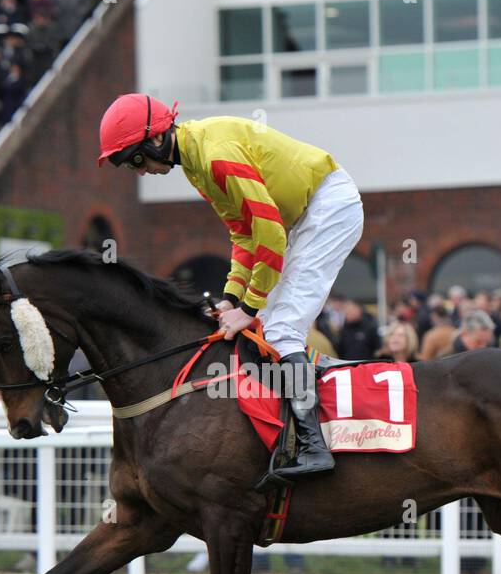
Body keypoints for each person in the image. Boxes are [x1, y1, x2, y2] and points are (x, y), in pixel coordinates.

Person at [97, 93, 364, 481]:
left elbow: (269, 235)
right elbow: (242, 235)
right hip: (304, 215)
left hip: (328, 208)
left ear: (156, 139)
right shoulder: (194, 161)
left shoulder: (214, 156)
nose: (138, 171)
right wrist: (232, 299)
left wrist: (250, 307)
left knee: (279, 328)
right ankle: (286, 433)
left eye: (135, 159)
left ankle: (313, 446)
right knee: (264, 329)